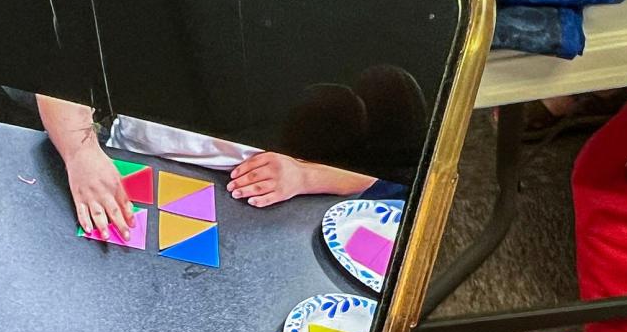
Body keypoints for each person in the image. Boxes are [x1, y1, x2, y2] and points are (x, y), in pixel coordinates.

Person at [37, 95, 394, 243]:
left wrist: (307, 175)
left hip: (261, 202)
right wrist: (81, 152)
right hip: (131, 161)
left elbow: (379, 171)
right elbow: (57, 60)